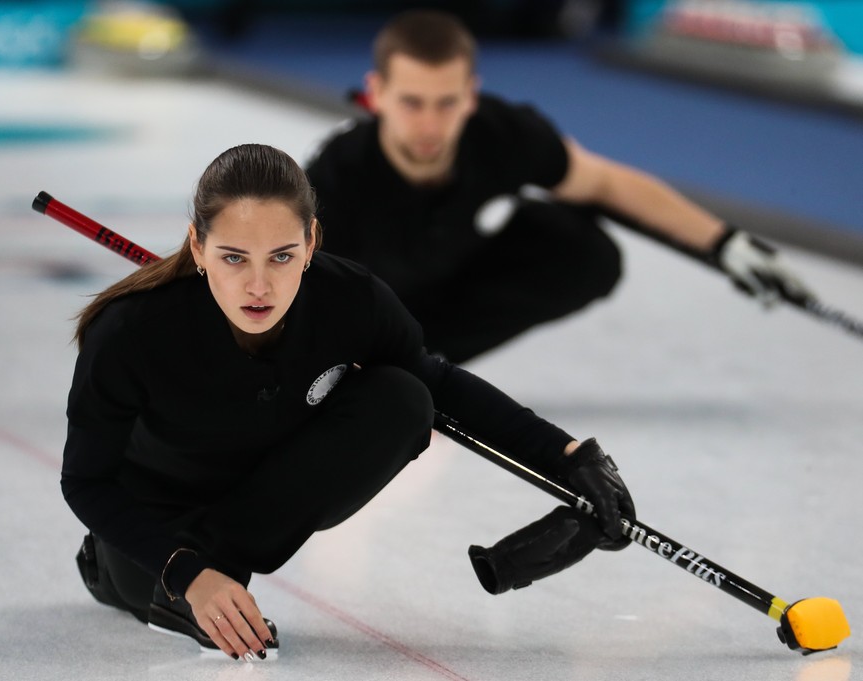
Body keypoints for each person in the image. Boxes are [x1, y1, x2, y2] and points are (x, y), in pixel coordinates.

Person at [61, 143, 635, 660]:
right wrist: (187, 574)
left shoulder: (349, 299)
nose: (258, 286)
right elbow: (87, 482)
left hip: (255, 501)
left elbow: (440, 384)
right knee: (157, 578)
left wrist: (567, 456)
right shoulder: (131, 332)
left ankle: (224, 566)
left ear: (311, 242)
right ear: (198, 245)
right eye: (234, 257)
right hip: (154, 533)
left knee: (403, 396)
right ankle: (193, 588)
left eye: (281, 256)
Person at [305, 9, 814, 363]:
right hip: (372, 313)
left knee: (587, 252)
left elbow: (609, 183)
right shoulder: (336, 175)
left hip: (452, 291)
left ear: (471, 95)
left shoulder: (502, 132)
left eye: (447, 103)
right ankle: (396, 361)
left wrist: (725, 243)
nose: (431, 125)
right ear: (377, 94)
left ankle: (429, 358)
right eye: (413, 103)